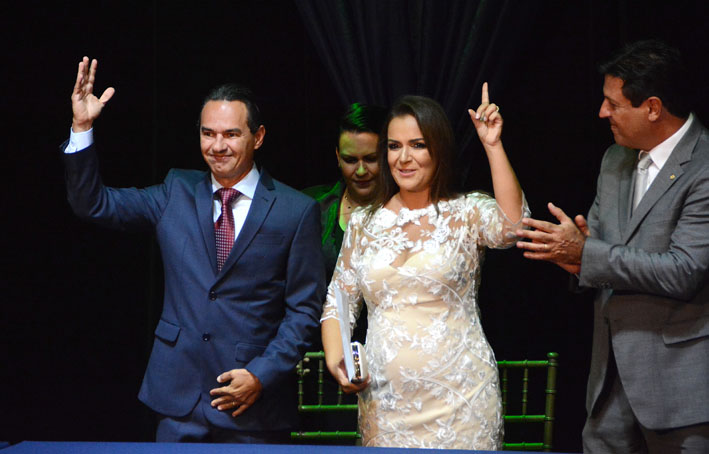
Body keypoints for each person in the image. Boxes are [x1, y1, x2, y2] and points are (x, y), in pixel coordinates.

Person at [63, 57, 325, 443]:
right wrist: (82, 128)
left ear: (258, 137)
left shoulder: (295, 210)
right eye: (208, 133)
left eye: (231, 134)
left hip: (251, 407)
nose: (217, 146)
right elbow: (94, 204)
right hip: (177, 401)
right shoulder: (176, 191)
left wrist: (261, 375)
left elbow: (304, 310)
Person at [516, 40, 709, 453]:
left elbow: (684, 270)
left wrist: (587, 255)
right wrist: (575, 260)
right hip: (608, 391)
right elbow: (598, 252)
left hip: (679, 395)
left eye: (614, 104)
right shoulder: (614, 160)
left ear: (653, 108)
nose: (602, 113)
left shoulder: (704, 166)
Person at [320, 84, 529, 449]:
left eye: (417, 145)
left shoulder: (467, 211)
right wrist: (338, 360)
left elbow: (514, 227)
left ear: (439, 149)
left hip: (462, 400)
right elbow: (338, 303)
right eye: (394, 146)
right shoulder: (364, 222)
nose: (404, 158)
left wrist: (493, 145)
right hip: (385, 403)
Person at [303, 103, 386, 280]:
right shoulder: (311, 205)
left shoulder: (408, 210)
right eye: (350, 160)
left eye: (371, 159)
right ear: (338, 157)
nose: (361, 171)